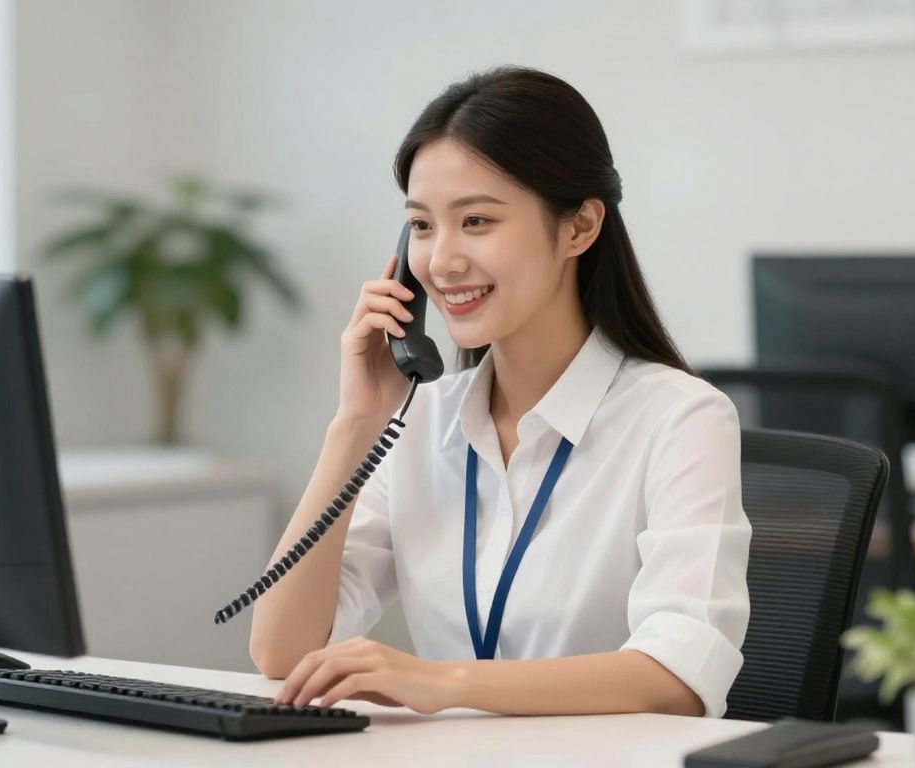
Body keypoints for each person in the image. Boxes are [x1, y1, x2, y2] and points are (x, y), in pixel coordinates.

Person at [249, 65, 750, 719]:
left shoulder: (680, 418)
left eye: (477, 221)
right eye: (422, 227)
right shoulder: (418, 421)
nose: (442, 260)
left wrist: (443, 683)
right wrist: (357, 420)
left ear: (578, 228)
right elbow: (281, 652)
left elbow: (679, 675)